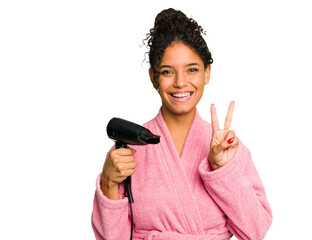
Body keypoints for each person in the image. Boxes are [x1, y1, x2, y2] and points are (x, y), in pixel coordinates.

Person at [92, 8, 272, 240]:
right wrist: (108, 182)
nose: (180, 82)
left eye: (192, 70)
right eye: (167, 72)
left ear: (207, 73)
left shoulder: (228, 151)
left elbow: (256, 231)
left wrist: (224, 171)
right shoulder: (127, 150)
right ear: (153, 77)